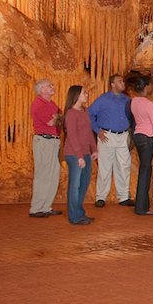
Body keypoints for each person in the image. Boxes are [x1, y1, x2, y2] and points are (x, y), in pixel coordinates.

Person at [88, 74, 133, 207]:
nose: (123, 83)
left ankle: (123, 196)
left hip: (123, 135)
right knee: (105, 166)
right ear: (112, 84)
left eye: (123, 81)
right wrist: (97, 130)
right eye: (120, 81)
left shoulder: (127, 100)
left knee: (124, 166)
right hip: (107, 135)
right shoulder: (103, 99)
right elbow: (89, 113)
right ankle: (101, 197)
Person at [62, 85, 96, 225]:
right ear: (76, 96)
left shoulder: (84, 112)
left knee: (84, 183)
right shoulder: (70, 113)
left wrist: (94, 149)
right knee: (75, 185)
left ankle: (79, 212)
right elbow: (72, 135)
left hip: (85, 153)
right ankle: (74, 216)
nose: (86, 95)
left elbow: (88, 133)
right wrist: (79, 156)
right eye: (84, 93)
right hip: (74, 153)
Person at [29, 80, 61, 217]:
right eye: (49, 85)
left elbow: (60, 117)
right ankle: (36, 208)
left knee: (53, 174)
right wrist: (57, 118)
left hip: (53, 141)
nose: (52, 87)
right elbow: (51, 121)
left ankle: (46, 206)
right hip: (44, 140)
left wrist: (57, 117)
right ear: (41, 90)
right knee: (43, 174)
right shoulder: (38, 104)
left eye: (52, 84)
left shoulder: (51, 103)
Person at [130, 76, 153, 216]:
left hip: (137, 136)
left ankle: (143, 205)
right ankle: (141, 208)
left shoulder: (133, 101)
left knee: (144, 169)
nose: (151, 87)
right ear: (146, 87)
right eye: (150, 85)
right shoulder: (149, 104)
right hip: (148, 137)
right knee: (145, 171)